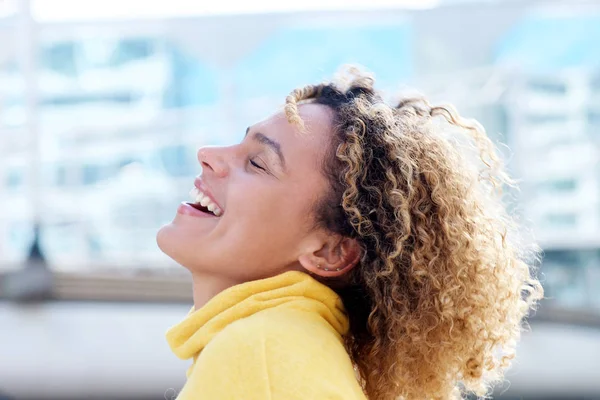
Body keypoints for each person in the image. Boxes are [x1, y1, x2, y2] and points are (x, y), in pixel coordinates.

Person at [156, 66, 543, 400]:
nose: (208, 153)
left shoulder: (262, 350)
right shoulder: (287, 348)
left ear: (330, 252)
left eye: (257, 163)